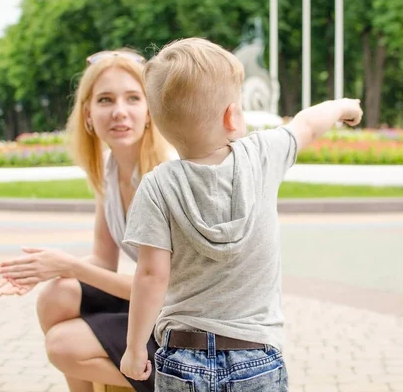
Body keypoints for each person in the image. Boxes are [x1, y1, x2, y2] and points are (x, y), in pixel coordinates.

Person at [118, 38, 363, 391]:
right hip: (256, 354)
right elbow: (308, 124)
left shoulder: (157, 185)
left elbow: (150, 275)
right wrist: (343, 106)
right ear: (232, 116)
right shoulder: (261, 155)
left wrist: (134, 347)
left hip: (182, 355)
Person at [0, 49, 171, 392]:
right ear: (88, 114)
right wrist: (43, 268)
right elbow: (103, 259)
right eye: (105, 100)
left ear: (150, 111)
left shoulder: (163, 174)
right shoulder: (109, 167)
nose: (120, 112)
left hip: (182, 320)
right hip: (150, 302)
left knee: (63, 345)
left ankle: (178, 381)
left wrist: (71, 266)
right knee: (56, 295)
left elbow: (162, 286)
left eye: (133, 98)